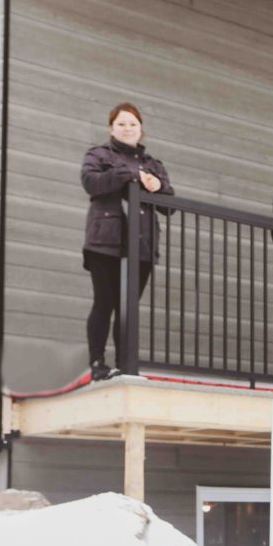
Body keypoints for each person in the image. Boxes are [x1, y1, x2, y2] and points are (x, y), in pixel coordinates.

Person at [80, 101, 173, 381]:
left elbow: (169, 205)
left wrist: (159, 186)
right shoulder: (98, 154)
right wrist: (131, 176)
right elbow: (91, 183)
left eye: (133, 124)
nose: (127, 128)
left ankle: (126, 366)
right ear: (111, 128)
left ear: (141, 129)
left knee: (128, 307)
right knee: (104, 302)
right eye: (121, 123)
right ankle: (98, 363)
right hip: (104, 241)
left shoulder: (153, 164)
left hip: (141, 245)